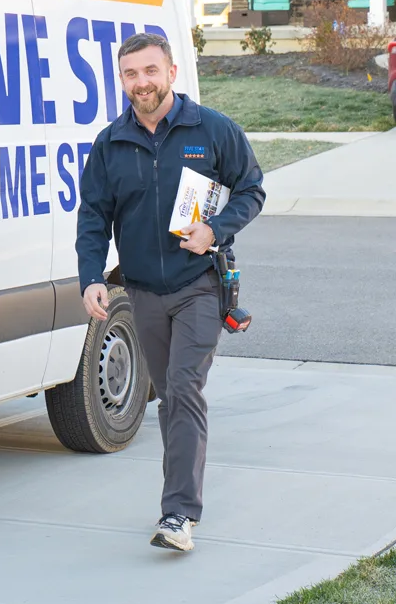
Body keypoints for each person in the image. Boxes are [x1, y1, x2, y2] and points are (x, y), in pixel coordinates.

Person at [76, 32, 265, 552]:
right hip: (142, 293)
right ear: (122, 80)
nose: (141, 83)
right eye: (130, 74)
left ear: (172, 72)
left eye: (150, 71)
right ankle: (178, 502)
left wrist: (216, 229)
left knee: (182, 388)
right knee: (167, 397)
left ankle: (179, 514)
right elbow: (93, 214)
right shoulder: (111, 142)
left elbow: (252, 188)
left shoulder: (211, 129)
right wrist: (91, 275)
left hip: (199, 285)